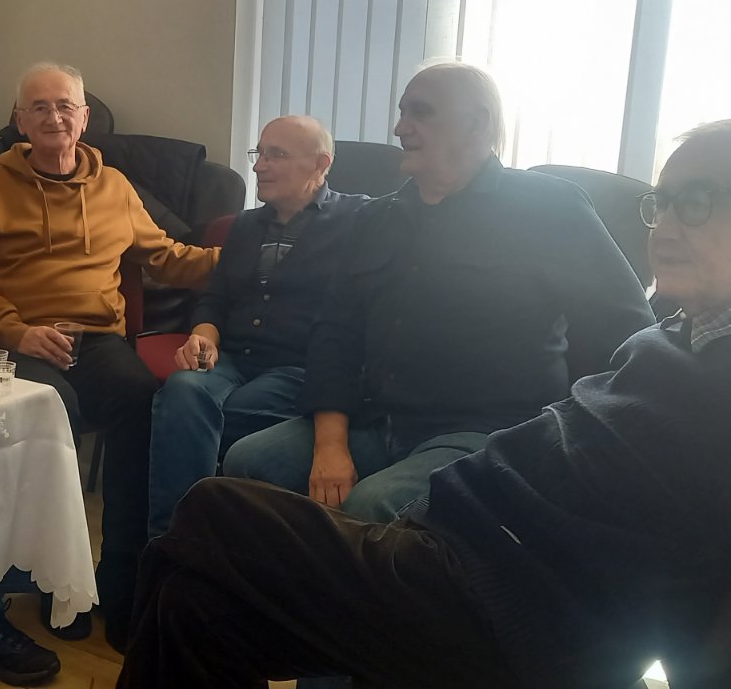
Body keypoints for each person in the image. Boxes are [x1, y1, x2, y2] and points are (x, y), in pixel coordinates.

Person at [117, 118, 731, 688]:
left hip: (519, 616)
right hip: (464, 553)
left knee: (215, 509)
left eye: (698, 201)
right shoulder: (677, 336)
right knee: (193, 605)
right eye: (663, 202)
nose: (666, 224)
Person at [222, 62, 654, 521]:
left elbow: (626, 329)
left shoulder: (549, 207)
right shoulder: (375, 218)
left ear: (478, 123)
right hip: (378, 420)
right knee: (249, 462)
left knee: (371, 505)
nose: (400, 127)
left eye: (421, 112)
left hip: (488, 433)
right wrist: (330, 446)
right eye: (401, 112)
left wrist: (574, 441)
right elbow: (336, 333)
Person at [0, 62, 220, 651]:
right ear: (20, 121)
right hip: (19, 342)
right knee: (55, 409)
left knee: (142, 401)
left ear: (85, 117)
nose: (54, 117)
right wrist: (16, 330)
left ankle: (120, 584)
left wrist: (243, 257)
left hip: (96, 339)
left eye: (65, 105)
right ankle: (55, 580)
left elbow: (167, 256)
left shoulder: (114, 186)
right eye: (39, 107)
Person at [145, 115, 367, 538]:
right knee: (182, 390)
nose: (259, 165)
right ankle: (171, 540)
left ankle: (189, 534)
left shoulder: (358, 220)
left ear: (321, 164)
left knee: (191, 417)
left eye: (276, 155)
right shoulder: (246, 225)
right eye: (259, 153)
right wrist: (203, 336)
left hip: (299, 368)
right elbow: (215, 298)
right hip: (232, 359)